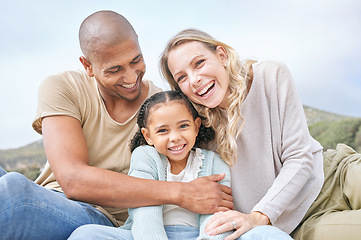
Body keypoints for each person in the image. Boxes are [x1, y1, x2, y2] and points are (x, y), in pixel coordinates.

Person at [0, 12, 233, 240]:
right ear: (87, 66)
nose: (131, 77)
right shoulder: (63, 87)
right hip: (52, 200)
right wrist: (182, 194)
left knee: (13, 194)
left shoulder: (164, 109)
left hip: (107, 217)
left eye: (136, 60)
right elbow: (72, 180)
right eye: (114, 69)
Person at [159, 29, 325, 239]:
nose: (194, 80)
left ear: (222, 56)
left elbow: (299, 157)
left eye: (199, 63)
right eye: (182, 77)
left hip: (325, 186)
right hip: (290, 222)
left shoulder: (270, 76)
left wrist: (258, 215)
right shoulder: (195, 128)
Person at [69, 90, 233, 239]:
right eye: (163, 130)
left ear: (196, 127)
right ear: (148, 136)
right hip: (144, 234)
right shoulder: (145, 156)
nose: (175, 137)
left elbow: (219, 212)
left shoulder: (214, 163)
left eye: (183, 126)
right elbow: (143, 206)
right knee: (85, 234)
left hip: (197, 235)